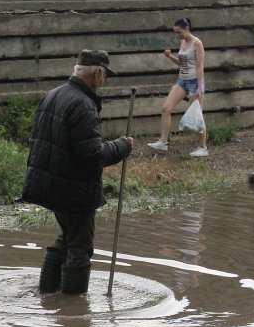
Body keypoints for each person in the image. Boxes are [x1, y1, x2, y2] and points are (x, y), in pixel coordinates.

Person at [22, 49, 135, 295]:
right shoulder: (83, 104)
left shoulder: (54, 95)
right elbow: (92, 155)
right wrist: (122, 146)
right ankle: (74, 310)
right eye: (104, 75)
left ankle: (47, 293)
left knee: (68, 237)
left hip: (51, 185)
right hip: (72, 189)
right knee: (81, 248)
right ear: (96, 73)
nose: (103, 81)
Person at [147, 17, 208, 157]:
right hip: (182, 81)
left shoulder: (197, 43)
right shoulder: (183, 42)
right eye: (176, 32)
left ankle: (202, 148)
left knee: (197, 117)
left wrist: (199, 87)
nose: (177, 35)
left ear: (186, 28)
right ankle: (163, 142)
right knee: (165, 108)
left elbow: (199, 66)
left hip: (194, 82)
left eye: (179, 32)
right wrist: (170, 56)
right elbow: (182, 63)